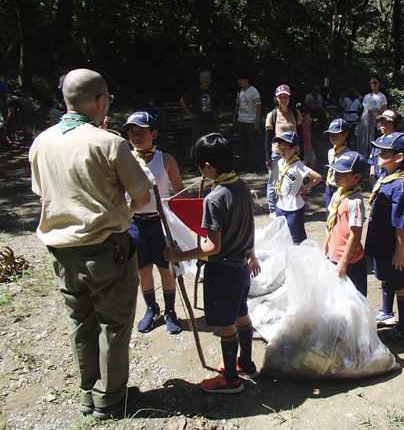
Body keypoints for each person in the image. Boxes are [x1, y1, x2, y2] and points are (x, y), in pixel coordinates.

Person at [29, 68, 152, 419]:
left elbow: (42, 194)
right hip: (105, 249)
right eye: (108, 99)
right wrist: (122, 210)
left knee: (80, 321)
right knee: (113, 324)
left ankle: (88, 392)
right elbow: (142, 197)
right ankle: (111, 398)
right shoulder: (108, 142)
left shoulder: (42, 141)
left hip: (60, 252)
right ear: (99, 101)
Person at [164, 133, 260, 393]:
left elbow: (212, 246)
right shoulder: (241, 185)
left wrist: (178, 255)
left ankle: (230, 380)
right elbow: (249, 227)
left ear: (208, 167)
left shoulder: (215, 199)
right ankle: (246, 363)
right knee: (241, 314)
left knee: (226, 322)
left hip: (223, 270)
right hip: (240, 267)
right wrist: (251, 253)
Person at [123, 111, 192, 335]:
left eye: (142, 132)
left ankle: (171, 311)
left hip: (160, 223)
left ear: (153, 133)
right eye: (132, 133)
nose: (136, 137)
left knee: (167, 269)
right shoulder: (125, 158)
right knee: (143, 271)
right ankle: (151, 310)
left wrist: (198, 208)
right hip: (134, 223)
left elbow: (179, 190)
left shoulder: (166, 159)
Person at [364, 132, 404, 339]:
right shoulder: (386, 177)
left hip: (394, 246)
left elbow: (401, 223)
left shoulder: (401, 187)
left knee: (399, 285)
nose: (379, 154)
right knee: (385, 279)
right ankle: (386, 312)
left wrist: (400, 252)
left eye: (385, 151)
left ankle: (402, 328)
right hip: (381, 242)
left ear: (399, 157)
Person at [323, 151, 368, 296]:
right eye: (335, 171)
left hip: (350, 261)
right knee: (337, 297)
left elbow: (355, 235)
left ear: (356, 177)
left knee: (354, 298)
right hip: (334, 256)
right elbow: (330, 224)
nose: (335, 175)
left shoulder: (355, 202)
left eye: (341, 173)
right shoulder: (337, 195)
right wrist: (325, 249)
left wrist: (343, 262)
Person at [273, 131, 321, 244]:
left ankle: (297, 257)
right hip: (281, 204)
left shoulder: (298, 166)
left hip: (293, 208)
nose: (282, 151)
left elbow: (317, 177)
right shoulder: (281, 162)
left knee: (296, 238)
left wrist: (304, 189)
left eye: (286, 147)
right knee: (282, 234)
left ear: (295, 149)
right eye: (280, 148)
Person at [264, 84, 304, 219]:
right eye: (280, 97)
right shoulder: (272, 115)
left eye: (285, 97)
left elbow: (301, 135)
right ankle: (272, 209)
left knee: (291, 181)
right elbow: (267, 139)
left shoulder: (296, 113)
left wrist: (302, 154)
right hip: (277, 153)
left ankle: (288, 207)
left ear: (289, 97)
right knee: (274, 181)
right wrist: (267, 159)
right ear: (277, 99)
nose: (283, 99)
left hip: (293, 153)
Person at [179, 70, 223, 169]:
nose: (207, 80)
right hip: (198, 122)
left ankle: (210, 163)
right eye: (205, 78)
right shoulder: (195, 90)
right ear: (200, 79)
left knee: (211, 143)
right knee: (196, 143)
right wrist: (190, 113)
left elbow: (221, 102)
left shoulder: (212, 91)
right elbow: (182, 100)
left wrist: (217, 112)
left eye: (209, 78)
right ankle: (194, 163)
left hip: (210, 122)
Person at [233, 69, 261, 169]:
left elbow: (258, 106)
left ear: (246, 79)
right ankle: (243, 162)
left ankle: (255, 163)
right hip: (242, 120)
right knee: (242, 143)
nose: (239, 81)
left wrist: (256, 122)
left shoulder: (253, 91)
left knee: (254, 144)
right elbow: (238, 105)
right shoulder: (240, 91)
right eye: (238, 79)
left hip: (251, 121)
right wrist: (235, 117)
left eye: (241, 79)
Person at [368, 110, 403, 186]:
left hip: (391, 181)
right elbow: (372, 161)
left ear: (398, 126)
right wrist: (372, 175)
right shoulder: (378, 141)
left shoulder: (399, 144)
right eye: (382, 121)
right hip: (377, 180)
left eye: (388, 122)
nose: (383, 125)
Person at [324, 119, 351, 214]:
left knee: (339, 214)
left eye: (336, 134)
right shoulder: (330, 152)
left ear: (345, 135)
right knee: (329, 213)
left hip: (340, 188)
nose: (332, 136)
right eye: (330, 134)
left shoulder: (348, 155)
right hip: (329, 186)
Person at [356, 75, 387, 158]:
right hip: (368, 122)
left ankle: (379, 156)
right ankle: (370, 156)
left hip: (378, 122)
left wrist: (376, 110)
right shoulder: (366, 97)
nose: (373, 84)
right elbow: (364, 111)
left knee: (378, 139)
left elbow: (385, 111)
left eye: (375, 82)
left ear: (379, 83)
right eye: (371, 83)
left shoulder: (382, 96)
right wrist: (361, 122)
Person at [299, 103, 316, 170]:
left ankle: (311, 175)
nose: (310, 116)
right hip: (302, 148)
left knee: (312, 160)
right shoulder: (299, 123)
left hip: (309, 146)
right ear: (303, 114)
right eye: (309, 114)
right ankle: (304, 177)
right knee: (303, 163)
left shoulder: (307, 122)